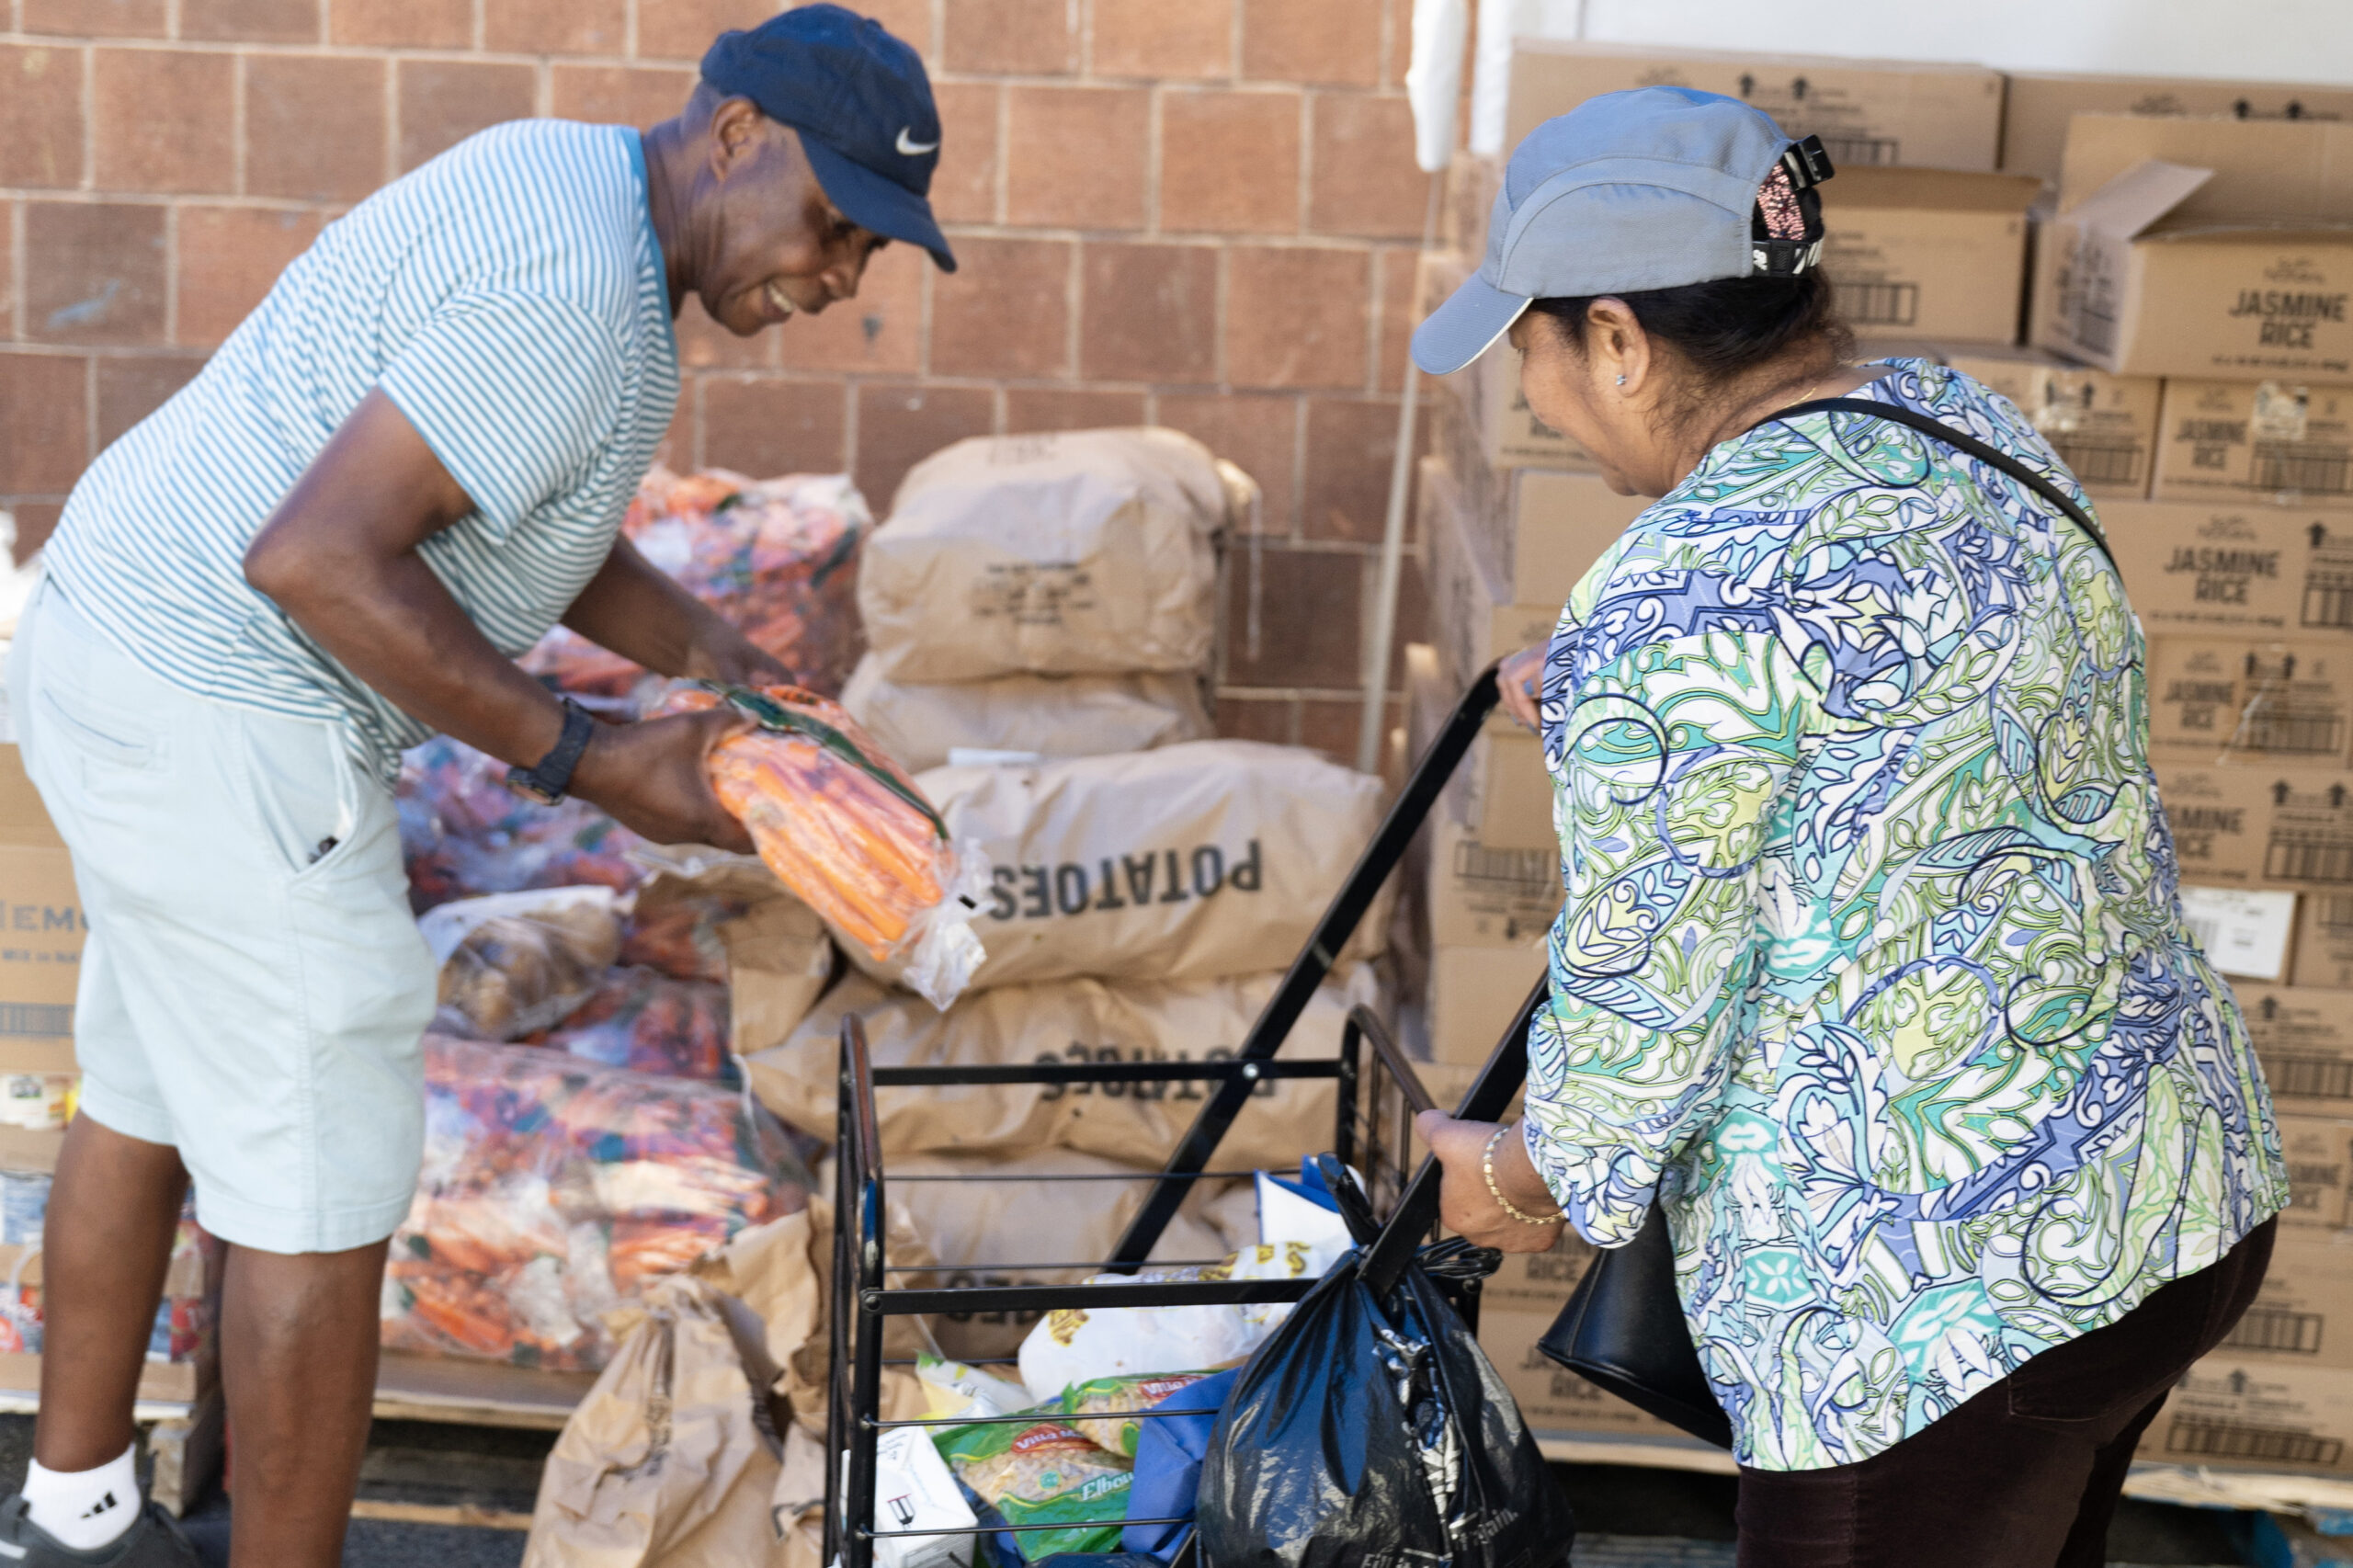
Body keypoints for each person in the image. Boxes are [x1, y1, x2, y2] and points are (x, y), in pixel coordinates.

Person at [0, 8, 954, 1564]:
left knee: (153, 1084)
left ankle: (75, 1518)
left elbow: (515, 505)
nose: (842, 275)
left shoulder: (567, 183)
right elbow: (314, 556)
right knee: (319, 1177)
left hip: (114, 636)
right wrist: (591, 759)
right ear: (735, 138)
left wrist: (712, 651)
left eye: (874, 250)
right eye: (834, 223)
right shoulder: (582, 299)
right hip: (227, 704)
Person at [1409, 88, 2286, 1568]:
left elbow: (1644, 1004)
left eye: (1532, 350)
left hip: (1931, 1306)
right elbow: (1900, 726)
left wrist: (1507, 1176)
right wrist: (1607, 702)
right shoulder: (1964, 428)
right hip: (2167, 1191)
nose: (1533, 394)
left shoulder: (1675, 592)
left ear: (1618, 339)